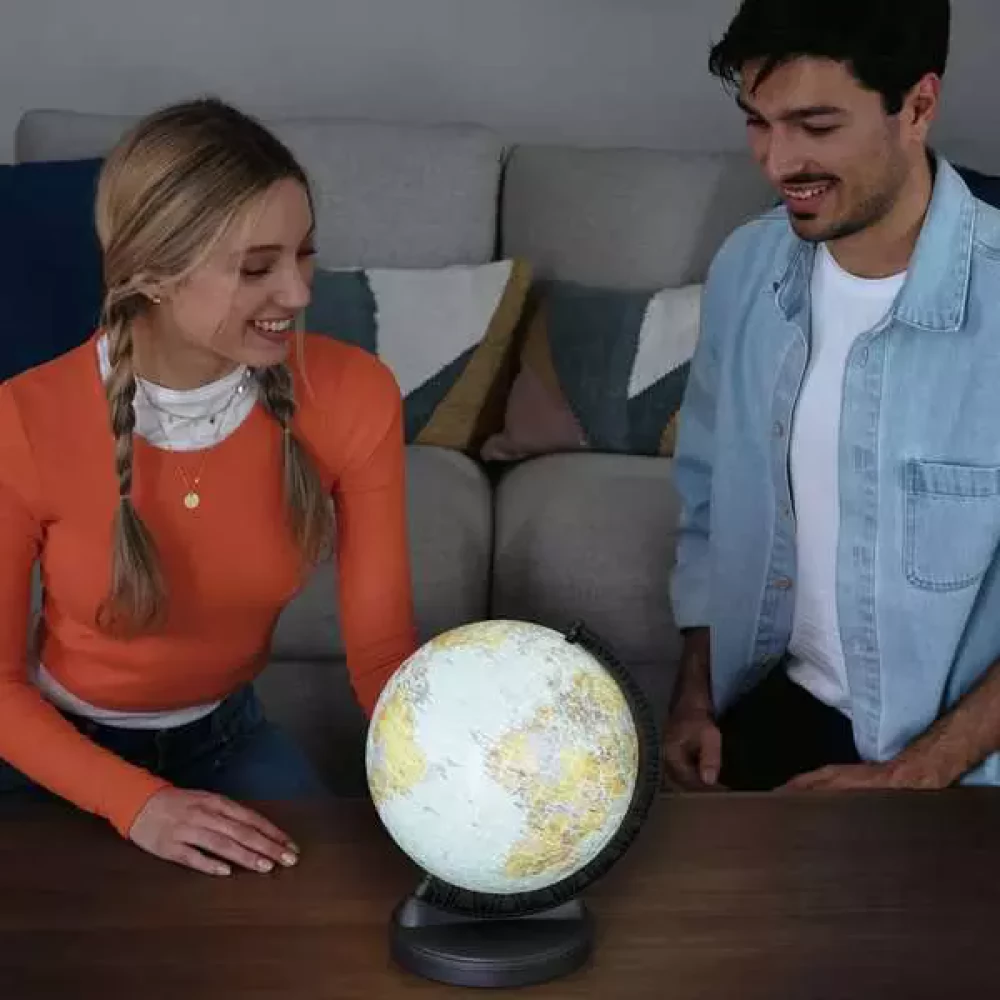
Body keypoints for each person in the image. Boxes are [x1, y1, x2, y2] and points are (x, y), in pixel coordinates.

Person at [0, 99, 418, 875]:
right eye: (257, 268)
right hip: (53, 753)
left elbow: (383, 653)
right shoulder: (21, 420)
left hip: (228, 744)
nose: (298, 294)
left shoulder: (355, 394)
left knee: (327, 910)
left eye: (304, 254)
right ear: (153, 276)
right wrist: (139, 804)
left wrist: (464, 773)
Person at [663, 0, 1000, 793]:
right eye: (759, 123)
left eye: (816, 127)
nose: (778, 164)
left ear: (917, 107)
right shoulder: (746, 269)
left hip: (965, 766)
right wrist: (694, 697)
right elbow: (708, 505)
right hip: (783, 713)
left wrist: (916, 775)